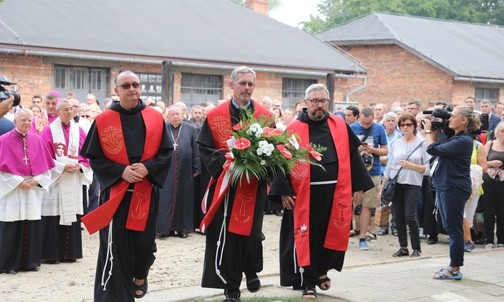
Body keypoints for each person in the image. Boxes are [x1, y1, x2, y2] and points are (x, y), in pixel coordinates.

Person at [269, 84, 373, 299]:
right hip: (304, 195)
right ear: (306, 103)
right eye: (314, 101)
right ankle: (308, 282)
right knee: (309, 237)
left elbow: (354, 155)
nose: (319, 106)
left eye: (323, 101)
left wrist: (359, 186)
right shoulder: (293, 129)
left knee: (332, 233)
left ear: (328, 103)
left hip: (337, 193)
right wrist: (283, 190)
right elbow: (280, 161)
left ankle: (322, 270)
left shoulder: (339, 125)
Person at [81, 70, 173, 301]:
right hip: (116, 193)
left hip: (145, 191)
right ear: (117, 91)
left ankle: (141, 275)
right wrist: (121, 171)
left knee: (144, 246)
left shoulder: (154, 117)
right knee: (115, 247)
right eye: (126, 86)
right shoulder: (103, 120)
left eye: (136, 84)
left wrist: (148, 168)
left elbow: (166, 153)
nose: (132, 89)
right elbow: (96, 158)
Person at [197, 66, 273, 302]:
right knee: (228, 237)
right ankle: (231, 287)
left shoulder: (265, 115)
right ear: (232, 85)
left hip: (254, 186)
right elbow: (206, 148)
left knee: (251, 234)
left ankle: (250, 269)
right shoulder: (215, 115)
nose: (247, 88)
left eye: (251, 84)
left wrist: (260, 167)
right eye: (243, 84)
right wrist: (228, 165)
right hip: (227, 185)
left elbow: (277, 150)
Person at [424, 105, 481, 280]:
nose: (449, 119)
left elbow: (433, 149)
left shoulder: (463, 140)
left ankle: (455, 268)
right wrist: (437, 123)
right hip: (446, 186)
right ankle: (453, 264)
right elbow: (442, 138)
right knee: (451, 227)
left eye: (453, 116)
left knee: (454, 229)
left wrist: (428, 131)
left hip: (454, 188)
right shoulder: (455, 137)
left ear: (463, 120)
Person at [0, 108, 55, 274]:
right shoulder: (3, 140)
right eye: (23, 119)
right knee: (11, 225)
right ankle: (9, 264)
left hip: (32, 189)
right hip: (13, 190)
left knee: (31, 224)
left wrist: (37, 180)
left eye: (29, 120)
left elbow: (47, 169)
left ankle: (30, 262)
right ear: (15, 121)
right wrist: (17, 182)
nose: (26, 122)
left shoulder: (37, 140)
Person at [39, 100, 93, 264]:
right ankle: (52, 254)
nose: (69, 112)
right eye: (65, 110)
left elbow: (86, 153)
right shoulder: (48, 130)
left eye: (71, 109)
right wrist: (62, 167)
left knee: (71, 213)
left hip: (73, 178)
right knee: (53, 215)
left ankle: (70, 253)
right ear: (57, 111)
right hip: (57, 178)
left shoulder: (80, 130)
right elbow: (44, 155)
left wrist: (81, 165)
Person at [382, 113, 430, 257]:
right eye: (403, 125)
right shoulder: (396, 143)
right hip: (397, 183)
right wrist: (383, 186)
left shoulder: (422, 143)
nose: (405, 127)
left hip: (413, 183)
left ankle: (416, 247)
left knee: (410, 215)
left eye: (409, 124)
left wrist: (412, 165)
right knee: (399, 217)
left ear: (414, 126)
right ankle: (403, 247)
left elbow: (427, 169)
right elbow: (390, 167)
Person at [156, 105, 200, 238]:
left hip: (185, 169)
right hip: (166, 170)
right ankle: (165, 229)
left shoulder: (191, 129)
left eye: (178, 114)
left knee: (185, 198)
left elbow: (196, 149)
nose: (175, 117)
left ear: (182, 115)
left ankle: (182, 229)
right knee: (165, 199)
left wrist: (196, 167)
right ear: (168, 117)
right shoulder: (163, 128)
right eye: (172, 115)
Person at [350, 107, 388, 250]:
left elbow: (385, 150)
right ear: (359, 118)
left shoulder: (379, 129)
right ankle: (353, 229)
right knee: (353, 203)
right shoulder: (352, 128)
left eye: (369, 123)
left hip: (373, 171)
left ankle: (363, 236)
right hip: (354, 172)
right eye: (364, 123)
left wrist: (373, 150)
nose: (366, 126)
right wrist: (357, 149)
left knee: (367, 205)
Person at [377, 112, 402, 236]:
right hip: (381, 171)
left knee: (396, 202)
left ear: (396, 123)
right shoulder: (380, 135)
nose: (391, 122)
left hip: (396, 173)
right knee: (384, 200)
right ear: (384, 122)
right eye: (388, 120)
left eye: (393, 120)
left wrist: (386, 159)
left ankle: (395, 226)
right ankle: (383, 226)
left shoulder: (400, 136)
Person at [481, 121, 504, 249]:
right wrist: (491, 164)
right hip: (489, 180)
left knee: (502, 211)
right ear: (497, 133)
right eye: (502, 131)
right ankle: (488, 239)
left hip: (503, 181)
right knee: (489, 211)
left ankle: (501, 239)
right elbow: (481, 161)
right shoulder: (490, 144)